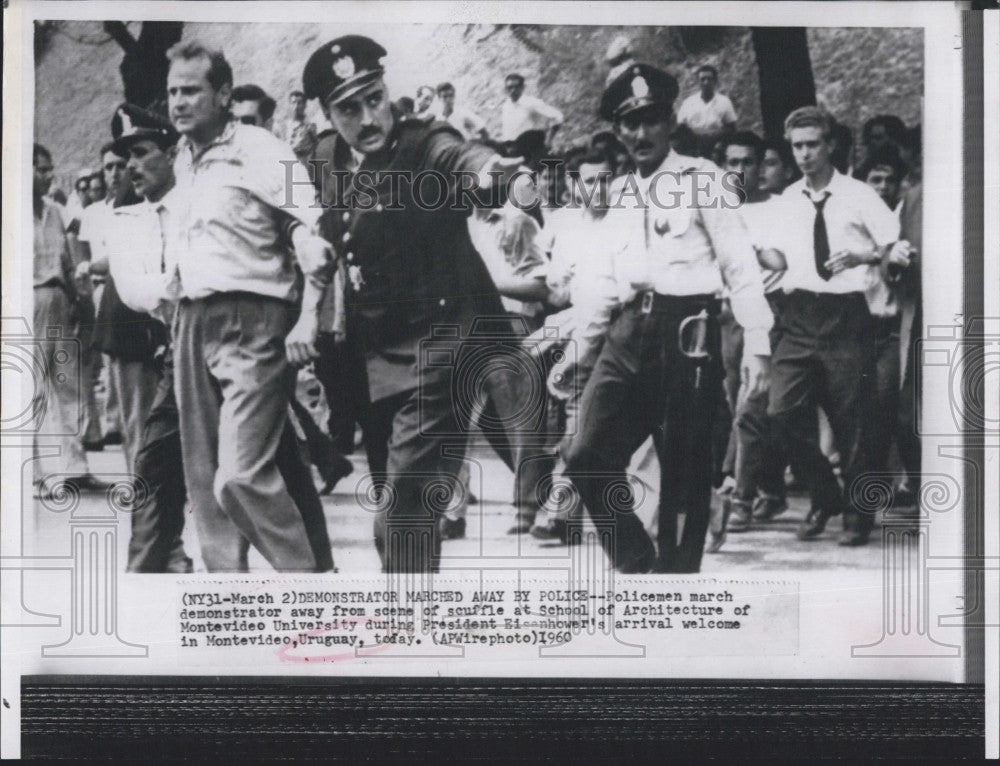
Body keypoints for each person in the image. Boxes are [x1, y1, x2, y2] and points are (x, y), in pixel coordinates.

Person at [300, 35, 529, 572]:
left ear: (387, 91)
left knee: (401, 504)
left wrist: (508, 181)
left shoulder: (424, 143)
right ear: (328, 114)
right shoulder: (323, 158)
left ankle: (407, 620)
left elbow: (468, 160)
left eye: (374, 98)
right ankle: (418, 621)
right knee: (401, 503)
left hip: (439, 344)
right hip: (371, 352)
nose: (367, 117)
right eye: (348, 108)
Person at [552, 63, 773, 574]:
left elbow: (740, 264)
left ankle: (675, 581)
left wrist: (757, 342)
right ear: (619, 130)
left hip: (686, 334)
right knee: (585, 454)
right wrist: (577, 352)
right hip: (627, 337)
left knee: (684, 474)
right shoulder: (623, 192)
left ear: (669, 121)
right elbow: (603, 284)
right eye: (629, 123)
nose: (640, 133)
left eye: (650, 120)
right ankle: (634, 559)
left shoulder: (702, 178)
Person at [166, 40, 334, 572]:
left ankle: (310, 586)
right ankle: (230, 604)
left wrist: (310, 313)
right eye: (172, 91)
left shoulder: (263, 148)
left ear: (221, 93)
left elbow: (314, 225)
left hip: (253, 320)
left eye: (191, 90)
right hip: (191, 321)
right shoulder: (183, 158)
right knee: (205, 484)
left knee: (239, 476)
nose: (178, 102)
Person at [766, 106, 906, 547]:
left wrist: (861, 257)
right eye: (797, 146)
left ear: (829, 146)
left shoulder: (860, 194)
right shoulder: (787, 200)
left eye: (812, 145)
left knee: (854, 423)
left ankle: (856, 514)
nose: (804, 154)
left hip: (847, 314)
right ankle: (824, 495)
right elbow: (778, 259)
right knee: (781, 413)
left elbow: (895, 249)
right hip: (800, 314)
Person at [529, 146, 618, 542]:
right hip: (584, 325)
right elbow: (564, 294)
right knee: (576, 419)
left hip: (618, 333)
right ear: (573, 184)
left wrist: (572, 351)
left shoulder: (625, 223)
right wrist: (551, 332)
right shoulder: (567, 225)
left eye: (605, 179)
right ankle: (562, 511)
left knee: (584, 420)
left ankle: (560, 510)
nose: (597, 189)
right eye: (588, 181)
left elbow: (605, 302)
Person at [707, 131, 789, 548]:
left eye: (748, 162)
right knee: (727, 406)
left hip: (766, 316)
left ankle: (740, 498)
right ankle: (766, 487)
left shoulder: (779, 208)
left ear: (761, 167)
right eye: (731, 162)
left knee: (750, 408)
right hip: (722, 318)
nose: (738, 170)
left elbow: (780, 262)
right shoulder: (713, 207)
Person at [76, 142, 163, 477]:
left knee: (142, 419)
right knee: (134, 421)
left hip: (139, 322)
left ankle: (147, 493)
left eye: (120, 166)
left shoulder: (142, 206)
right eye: (108, 167)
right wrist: (89, 267)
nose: (114, 174)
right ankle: (143, 491)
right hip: (123, 324)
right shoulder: (117, 209)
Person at [31, 144, 108, 496]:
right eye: (41, 170)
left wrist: (79, 298)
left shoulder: (56, 211)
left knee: (68, 383)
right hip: (27, 300)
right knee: (30, 389)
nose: (48, 176)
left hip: (59, 299)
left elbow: (66, 260)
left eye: (49, 170)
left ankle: (75, 469)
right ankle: (37, 473)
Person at [676, 65, 737, 158]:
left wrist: (717, 140)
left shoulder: (724, 102)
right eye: (703, 79)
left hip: (715, 147)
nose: (706, 82)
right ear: (698, 82)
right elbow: (679, 127)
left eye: (710, 79)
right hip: (692, 148)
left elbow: (731, 128)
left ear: (715, 81)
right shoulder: (688, 102)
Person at [500, 73, 563, 146]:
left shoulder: (531, 102)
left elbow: (558, 116)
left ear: (522, 87)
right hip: (511, 149)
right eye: (510, 87)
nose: (513, 90)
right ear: (505, 89)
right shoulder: (506, 105)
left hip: (530, 148)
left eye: (516, 87)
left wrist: (549, 140)